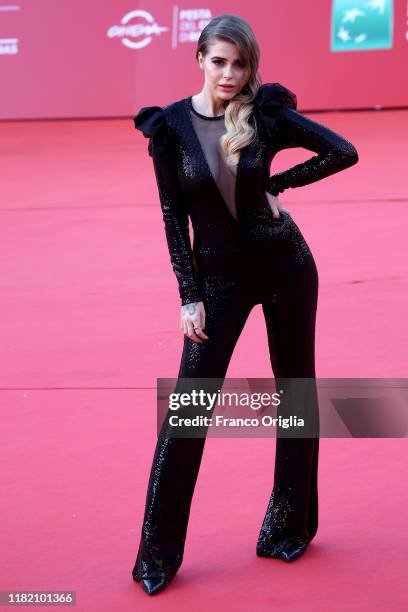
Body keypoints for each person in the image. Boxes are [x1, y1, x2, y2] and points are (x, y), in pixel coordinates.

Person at [131, 13, 359, 596]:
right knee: (188, 412)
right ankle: (156, 557)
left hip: (286, 266)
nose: (230, 74)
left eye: (240, 64)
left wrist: (276, 187)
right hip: (218, 282)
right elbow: (171, 219)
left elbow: (342, 151)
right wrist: (188, 296)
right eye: (219, 62)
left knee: (295, 393)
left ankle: (291, 525)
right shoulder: (170, 128)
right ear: (199, 60)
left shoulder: (266, 114)